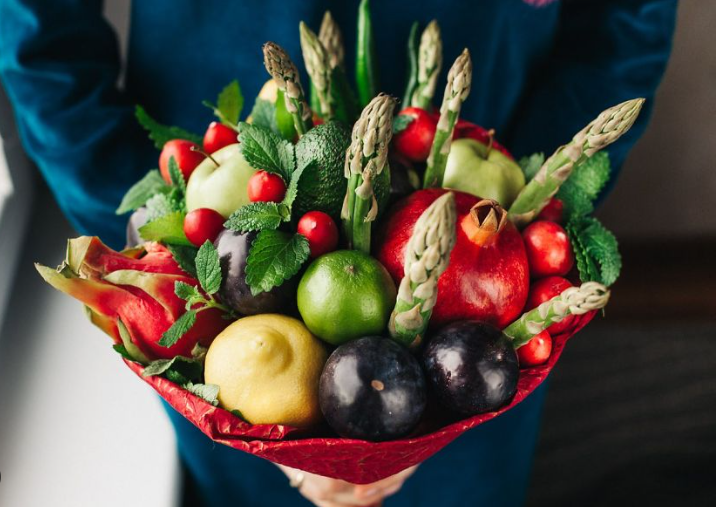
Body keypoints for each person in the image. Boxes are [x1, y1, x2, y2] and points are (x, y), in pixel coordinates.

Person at [0, 1, 677, 506]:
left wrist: (537, 197)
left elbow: (626, 24)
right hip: (219, 272)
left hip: (484, 295)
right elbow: (41, 35)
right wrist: (147, 228)